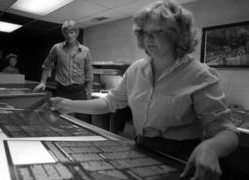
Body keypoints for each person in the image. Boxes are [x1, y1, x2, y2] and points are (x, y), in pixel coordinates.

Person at [50, 1, 238, 179]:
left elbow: (227, 133)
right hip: (140, 149)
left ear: (177, 34)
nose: (148, 38)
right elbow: (110, 102)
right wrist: (69, 105)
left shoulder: (199, 74)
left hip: (180, 158)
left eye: (157, 32)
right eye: (145, 32)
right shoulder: (135, 70)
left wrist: (211, 148)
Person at [34, 20, 93, 123]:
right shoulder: (57, 48)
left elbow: (88, 71)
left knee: (83, 120)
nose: (69, 35)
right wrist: (42, 82)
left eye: (72, 32)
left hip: (79, 91)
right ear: (63, 33)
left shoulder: (85, 50)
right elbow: (47, 65)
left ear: (77, 33)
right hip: (62, 89)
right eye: (66, 32)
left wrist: (89, 92)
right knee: (61, 119)